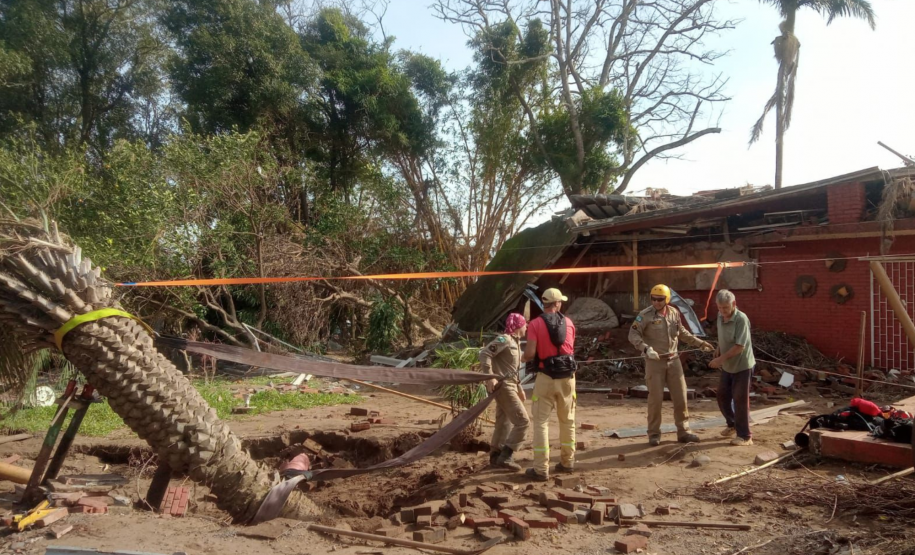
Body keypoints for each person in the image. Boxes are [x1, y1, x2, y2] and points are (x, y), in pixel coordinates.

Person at [629, 284, 715, 446]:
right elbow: (633, 334)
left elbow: (682, 332)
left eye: (660, 299)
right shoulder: (644, 315)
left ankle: (683, 431)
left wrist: (700, 343)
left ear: (667, 299)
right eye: (653, 299)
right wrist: (646, 349)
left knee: (681, 397)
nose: (656, 302)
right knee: (655, 399)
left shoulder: (674, 313)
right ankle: (654, 433)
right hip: (655, 362)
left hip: (674, 360)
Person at [521, 288, 577, 482]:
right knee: (567, 420)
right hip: (567, 378)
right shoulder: (569, 323)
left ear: (543, 304)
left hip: (545, 378)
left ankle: (540, 469)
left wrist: (520, 358)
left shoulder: (535, 324)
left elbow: (529, 354)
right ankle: (568, 462)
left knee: (541, 423)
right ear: (558, 304)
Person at [479, 313, 531, 470]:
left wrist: (520, 388)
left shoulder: (515, 342)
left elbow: (512, 370)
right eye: (524, 324)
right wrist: (489, 377)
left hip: (511, 385)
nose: (526, 327)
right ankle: (506, 456)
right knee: (523, 422)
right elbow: (485, 353)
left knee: (503, 422)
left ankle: (495, 456)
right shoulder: (505, 339)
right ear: (517, 326)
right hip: (504, 387)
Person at [709, 290, 756, 446]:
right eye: (720, 308)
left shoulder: (741, 319)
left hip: (742, 366)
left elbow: (739, 347)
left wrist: (720, 359)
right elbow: (723, 336)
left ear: (734, 304)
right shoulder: (720, 316)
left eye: (726, 308)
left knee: (740, 400)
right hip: (728, 366)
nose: (723, 311)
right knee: (722, 396)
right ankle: (732, 424)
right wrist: (719, 347)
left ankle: (745, 436)